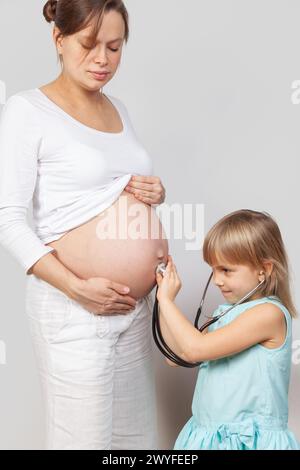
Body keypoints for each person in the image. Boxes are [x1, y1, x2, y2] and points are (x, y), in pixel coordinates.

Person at [0, 0, 168, 450]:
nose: (102, 59)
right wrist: (76, 288)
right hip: (73, 308)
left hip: (133, 311)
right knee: (83, 443)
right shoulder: (27, 110)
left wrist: (155, 194)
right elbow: (8, 219)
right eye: (89, 45)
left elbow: (109, 190)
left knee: (137, 445)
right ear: (58, 38)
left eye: (114, 47)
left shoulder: (120, 109)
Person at [156, 210, 300, 450]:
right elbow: (176, 355)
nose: (216, 280)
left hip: (247, 442)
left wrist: (168, 302)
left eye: (226, 270)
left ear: (264, 269)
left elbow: (194, 349)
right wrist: (163, 301)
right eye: (213, 270)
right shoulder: (226, 314)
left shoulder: (269, 314)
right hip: (210, 438)